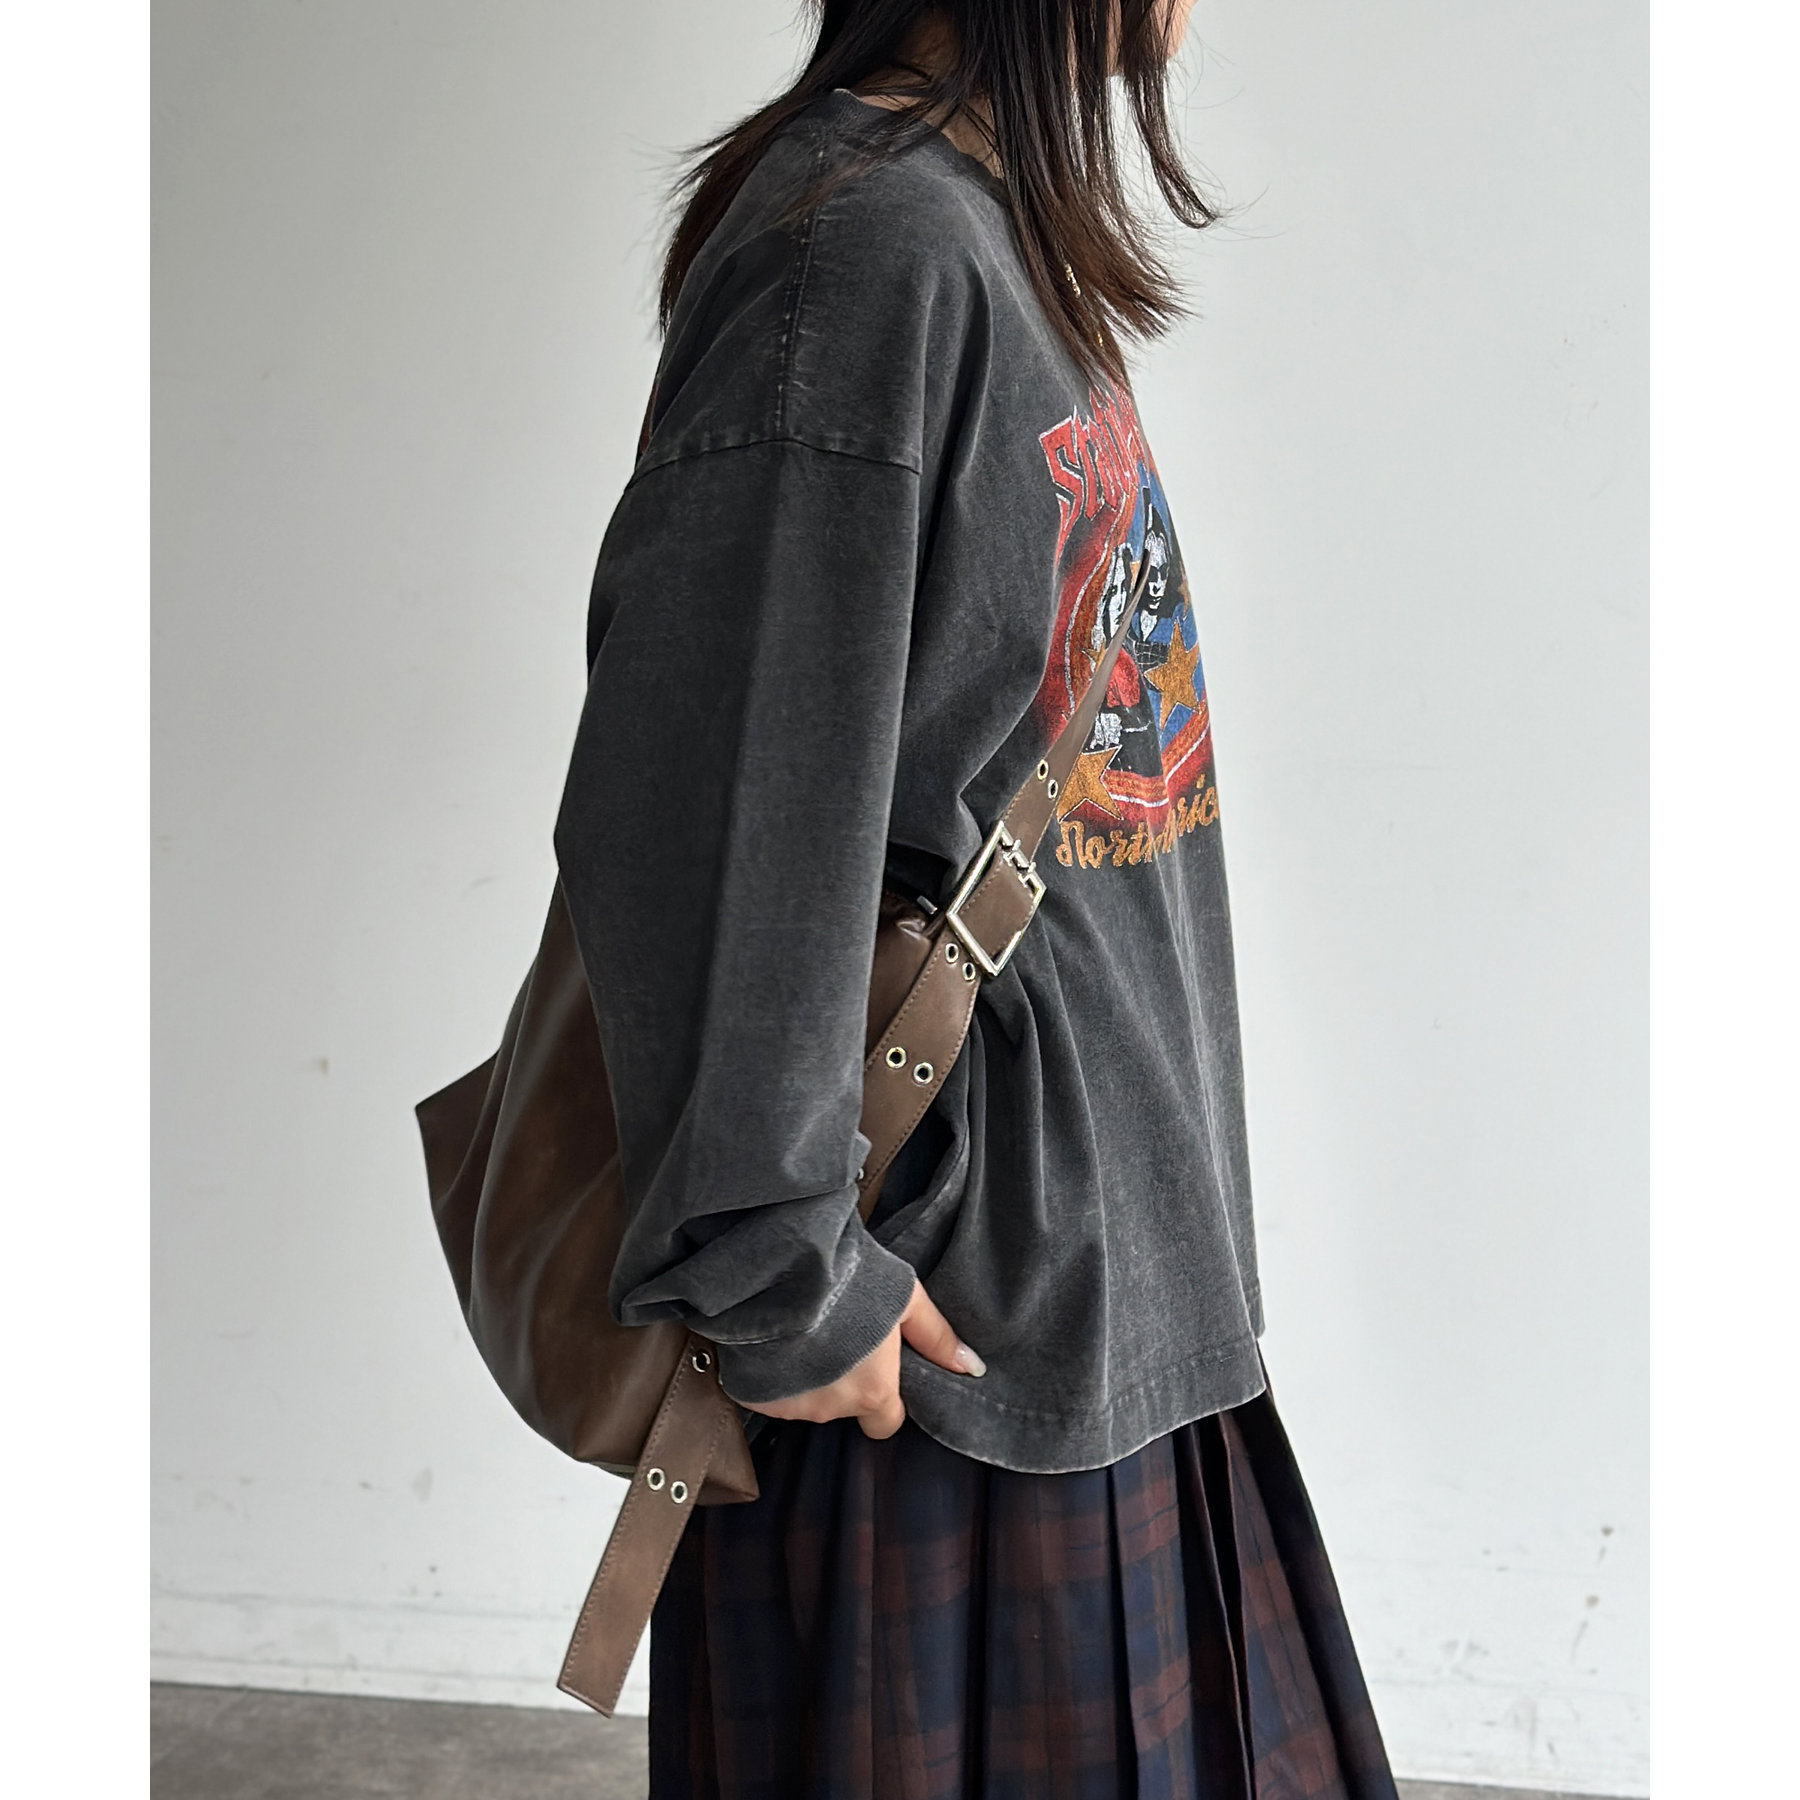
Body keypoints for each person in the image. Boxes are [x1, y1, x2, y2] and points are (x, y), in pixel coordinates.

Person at [552, 3, 1401, 1794]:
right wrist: (786, 1279)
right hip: (938, 1344)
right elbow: (706, 808)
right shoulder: (862, 256)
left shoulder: (973, 226)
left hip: (1088, 1294)